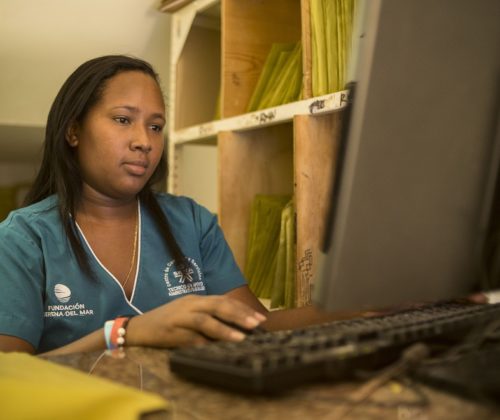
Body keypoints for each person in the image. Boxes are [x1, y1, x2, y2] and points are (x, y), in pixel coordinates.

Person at [0, 55, 360, 356]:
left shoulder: (191, 221)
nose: (144, 141)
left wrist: (363, 309)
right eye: (123, 120)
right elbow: (12, 376)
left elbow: (255, 327)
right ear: (73, 131)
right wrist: (122, 333)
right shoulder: (24, 239)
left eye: (155, 127)